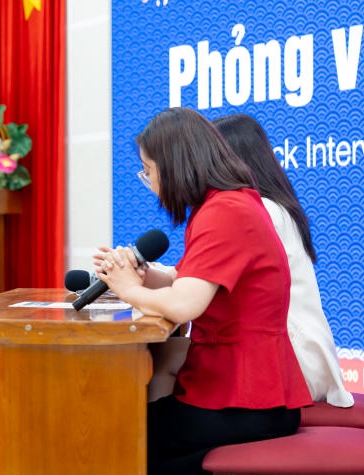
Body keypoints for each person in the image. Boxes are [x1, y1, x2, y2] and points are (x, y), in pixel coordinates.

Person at [96, 107, 312, 475]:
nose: (148, 181)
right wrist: (145, 279)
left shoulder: (225, 211)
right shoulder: (226, 203)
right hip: (244, 396)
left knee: (115, 433)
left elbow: (184, 305)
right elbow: (193, 283)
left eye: (148, 171)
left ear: (175, 164)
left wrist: (130, 289)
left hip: (247, 402)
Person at [213, 113, 353, 408]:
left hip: (291, 364)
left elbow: (204, 281)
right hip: (298, 356)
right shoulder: (272, 207)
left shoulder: (258, 212)